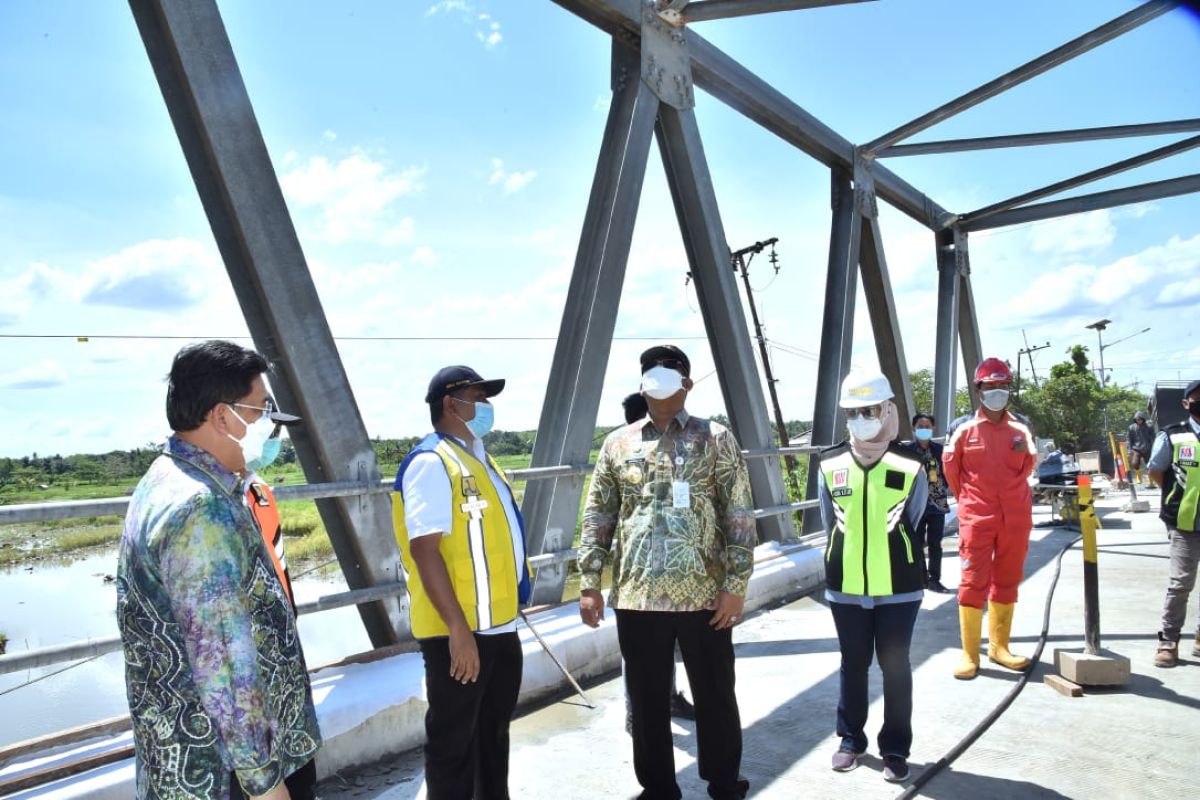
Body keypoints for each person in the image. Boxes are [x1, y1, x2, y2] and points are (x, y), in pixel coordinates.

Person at [116, 340, 321, 800]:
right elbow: (223, 663)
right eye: (258, 411)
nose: (266, 426)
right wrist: (266, 783)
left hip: (200, 762)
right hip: (229, 774)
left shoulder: (170, 479)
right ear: (222, 416)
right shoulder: (201, 510)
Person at [579, 345, 753, 800]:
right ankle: (657, 787)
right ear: (641, 383)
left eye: (670, 369)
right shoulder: (617, 444)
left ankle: (722, 779)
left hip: (704, 594)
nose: (660, 377)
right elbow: (599, 515)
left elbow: (738, 515)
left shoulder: (715, 438)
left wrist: (735, 586)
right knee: (648, 701)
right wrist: (589, 583)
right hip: (638, 597)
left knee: (715, 694)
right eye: (651, 370)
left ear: (687, 383)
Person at [391, 365, 530, 800]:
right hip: (462, 634)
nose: (486, 407)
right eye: (479, 398)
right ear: (452, 404)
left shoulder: (479, 459)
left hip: (499, 627)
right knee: (454, 747)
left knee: (493, 737)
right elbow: (424, 550)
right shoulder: (432, 463)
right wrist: (457, 629)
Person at [819, 371, 927, 784]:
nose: (862, 418)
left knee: (896, 666)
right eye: (853, 412)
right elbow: (830, 521)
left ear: (887, 411)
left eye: (869, 410)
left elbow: (914, 520)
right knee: (853, 663)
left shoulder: (910, 462)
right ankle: (850, 740)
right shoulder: (830, 463)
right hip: (844, 586)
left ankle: (896, 749)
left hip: (899, 587)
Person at [943, 357, 1038, 680]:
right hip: (977, 517)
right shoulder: (961, 428)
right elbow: (951, 470)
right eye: (989, 386)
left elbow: (1029, 464)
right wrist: (972, 500)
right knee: (972, 582)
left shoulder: (1021, 426)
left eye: (1002, 386)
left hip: (1015, 516)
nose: (996, 391)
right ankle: (970, 654)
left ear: (1009, 388)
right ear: (978, 389)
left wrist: (1010, 495)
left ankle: (1000, 647)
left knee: (1008, 580)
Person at [619, 391, 696, 728]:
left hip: (674, 573)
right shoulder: (625, 457)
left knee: (666, 647)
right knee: (637, 656)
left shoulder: (677, 454)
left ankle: (668, 699)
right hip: (639, 578)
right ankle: (636, 712)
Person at [1149, 379, 1200, 668]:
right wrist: (1176, 498)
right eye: (1197, 398)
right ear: (1185, 404)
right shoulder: (1172, 436)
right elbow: (1157, 472)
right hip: (1184, 522)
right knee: (1181, 583)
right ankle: (1168, 640)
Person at [907, 413, 953, 594]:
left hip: (937, 505)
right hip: (916, 505)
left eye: (927, 426)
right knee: (917, 543)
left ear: (933, 428)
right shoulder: (908, 451)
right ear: (914, 428)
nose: (924, 429)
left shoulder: (940, 450)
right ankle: (920, 578)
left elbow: (948, 472)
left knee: (935, 543)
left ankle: (935, 579)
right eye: (920, 426)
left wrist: (942, 488)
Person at [1128, 410, 1156, 488]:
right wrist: (1130, 449)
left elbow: (1153, 437)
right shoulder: (1131, 427)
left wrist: (1153, 447)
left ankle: (1151, 482)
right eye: (1137, 419)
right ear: (1135, 420)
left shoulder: (1149, 426)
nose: (1139, 421)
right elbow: (1130, 439)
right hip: (1136, 448)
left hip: (1147, 448)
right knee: (1135, 463)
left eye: (1140, 419)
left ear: (1143, 419)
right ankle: (1138, 477)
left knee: (1150, 465)